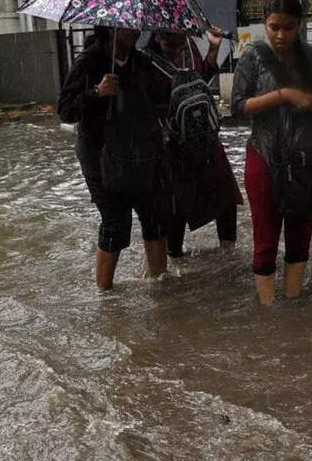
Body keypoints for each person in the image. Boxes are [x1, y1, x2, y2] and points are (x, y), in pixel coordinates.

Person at [58, 26, 172, 290]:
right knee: (116, 222)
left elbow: (160, 99)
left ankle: (161, 288)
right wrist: (96, 92)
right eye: (128, 27)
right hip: (99, 155)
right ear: (111, 27)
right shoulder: (88, 61)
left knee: (154, 217)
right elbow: (65, 110)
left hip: (139, 152)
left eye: (137, 26)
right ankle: (105, 297)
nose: (136, 30)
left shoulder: (141, 62)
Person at [231, 0, 312, 305]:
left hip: (303, 159)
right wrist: (282, 95)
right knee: (266, 237)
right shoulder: (252, 57)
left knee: (300, 236)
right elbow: (238, 107)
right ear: (265, 24)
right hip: (264, 156)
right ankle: (268, 312)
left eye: (288, 27)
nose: (281, 35)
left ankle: (293, 310)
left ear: (299, 26)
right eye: (274, 27)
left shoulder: (307, 56)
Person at [148, 29, 243, 258]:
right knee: (177, 205)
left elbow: (203, 76)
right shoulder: (146, 62)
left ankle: (228, 255)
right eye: (171, 46)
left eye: (181, 44)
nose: (177, 50)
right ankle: (174, 258)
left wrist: (214, 48)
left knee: (225, 196)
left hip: (206, 136)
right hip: (173, 145)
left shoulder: (190, 48)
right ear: (158, 37)